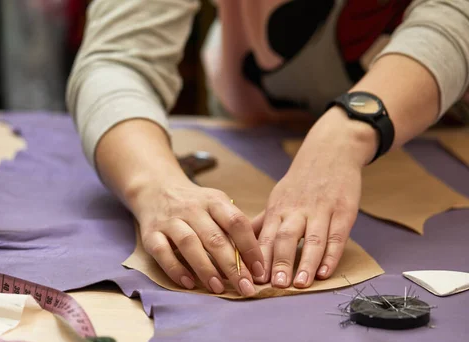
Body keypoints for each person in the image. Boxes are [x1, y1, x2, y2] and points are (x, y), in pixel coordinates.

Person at [67, 0, 469, 297]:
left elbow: (454, 17)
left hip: (441, 133)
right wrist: (153, 185)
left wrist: (346, 134)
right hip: (254, 125)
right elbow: (116, 60)